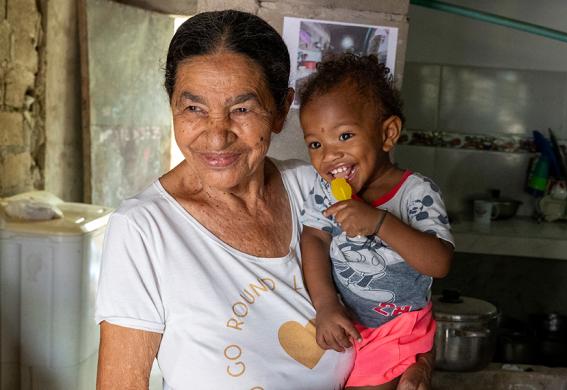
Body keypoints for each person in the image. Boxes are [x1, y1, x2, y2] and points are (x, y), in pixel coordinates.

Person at [94, 10, 433, 389]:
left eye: (242, 109)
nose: (217, 136)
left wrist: (417, 364)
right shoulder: (144, 229)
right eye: (193, 108)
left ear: (281, 110)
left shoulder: (314, 190)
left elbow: (401, 297)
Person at [298, 54, 455, 389]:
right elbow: (313, 238)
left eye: (344, 136)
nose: (329, 155)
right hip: (352, 323)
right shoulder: (326, 191)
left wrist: (379, 222)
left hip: (400, 326)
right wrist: (325, 304)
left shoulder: (416, 193)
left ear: (387, 134)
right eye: (315, 144)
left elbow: (439, 262)